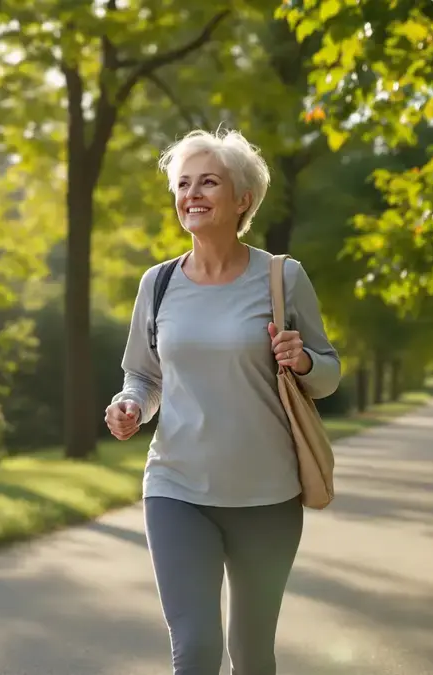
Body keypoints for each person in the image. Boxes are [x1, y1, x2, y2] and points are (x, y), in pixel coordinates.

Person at [103, 128, 341, 675]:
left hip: (267, 496)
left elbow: (327, 377)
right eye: (183, 184)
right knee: (196, 647)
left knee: (253, 654)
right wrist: (130, 405)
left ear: (242, 199)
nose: (193, 194)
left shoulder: (283, 277)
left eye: (208, 182)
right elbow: (142, 375)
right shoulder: (158, 284)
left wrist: (301, 360)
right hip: (177, 488)